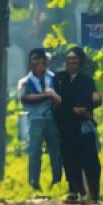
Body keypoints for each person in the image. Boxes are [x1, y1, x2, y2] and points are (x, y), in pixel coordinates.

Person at [52, 46, 102, 204]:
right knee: (69, 159)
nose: (71, 64)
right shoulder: (59, 79)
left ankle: (93, 194)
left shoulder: (87, 81)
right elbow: (56, 101)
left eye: (74, 61)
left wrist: (85, 109)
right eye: (68, 60)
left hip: (83, 125)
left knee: (89, 159)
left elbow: (92, 100)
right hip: (65, 124)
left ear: (80, 63)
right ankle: (75, 190)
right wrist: (72, 109)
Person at [18, 48, 63, 194]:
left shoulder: (54, 78)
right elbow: (24, 97)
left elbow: (60, 97)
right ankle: (34, 182)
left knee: (55, 151)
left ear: (46, 61)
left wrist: (52, 97)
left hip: (52, 119)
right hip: (35, 119)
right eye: (34, 60)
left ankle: (57, 180)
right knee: (35, 151)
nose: (38, 63)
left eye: (40, 59)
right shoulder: (25, 81)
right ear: (30, 62)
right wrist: (47, 95)